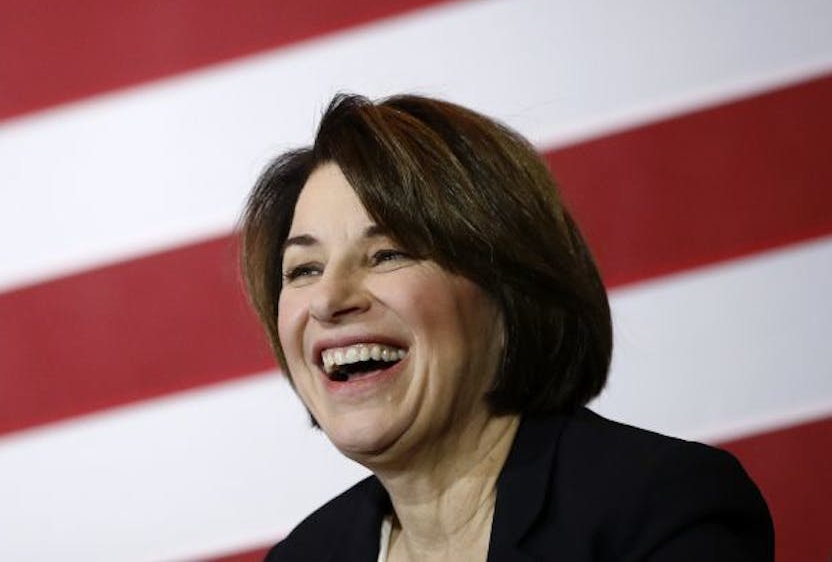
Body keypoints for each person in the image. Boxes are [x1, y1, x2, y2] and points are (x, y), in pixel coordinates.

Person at [240, 93, 772, 561]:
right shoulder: (305, 554)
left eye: (388, 254)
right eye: (304, 270)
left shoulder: (659, 511)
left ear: (509, 294)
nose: (329, 300)